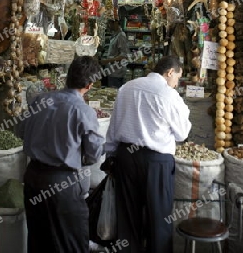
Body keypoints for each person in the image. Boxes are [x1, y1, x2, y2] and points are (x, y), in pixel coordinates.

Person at [103, 55, 191, 253]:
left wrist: (110, 156)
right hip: (156, 163)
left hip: (125, 158)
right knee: (159, 218)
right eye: (177, 78)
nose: (176, 84)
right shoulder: (168, 95)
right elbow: (182, 133)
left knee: (127, 217)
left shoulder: (126, 88)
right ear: (170, 72)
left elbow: (114, 126)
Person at [19, 56, 105, 253]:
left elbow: (21, 132)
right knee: (70, 243)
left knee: (39, 240)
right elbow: (93, 154)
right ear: (90, 84)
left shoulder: (39, 100)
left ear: (68, 77)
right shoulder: (83, 111)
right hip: (61, 185)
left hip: (32, 179)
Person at [101, 18, 130, 88]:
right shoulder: (115, 35)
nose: (108, 26)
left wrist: (107, 61)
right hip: (112, 72)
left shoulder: (121, 36)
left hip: (117, 73)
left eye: (110, 23)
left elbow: (124, 56)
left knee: (114, 94)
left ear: (116, 23)